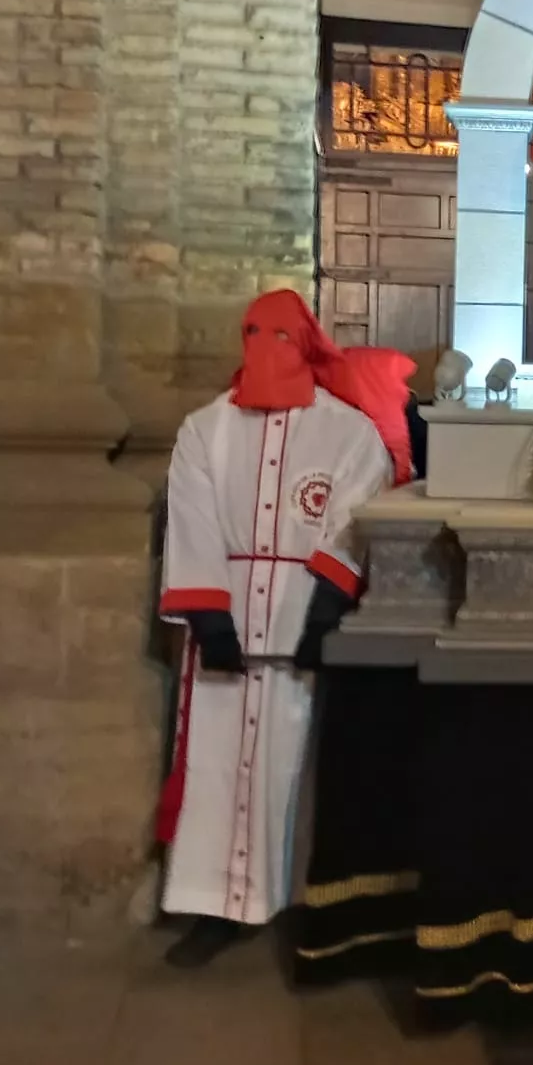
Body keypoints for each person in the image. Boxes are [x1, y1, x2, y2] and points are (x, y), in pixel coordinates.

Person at [154, 291, 405, 969]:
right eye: (254, 333)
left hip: (299, 613)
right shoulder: (205, 430)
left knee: (296, 763)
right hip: (230, 609)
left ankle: (295, 900)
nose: (268, 346)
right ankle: (215, 904)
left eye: (283, 335)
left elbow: (359, 513)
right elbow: (194, 520)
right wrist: (209, 617)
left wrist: (325, 606)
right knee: (215, 762)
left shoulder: (348, 432)